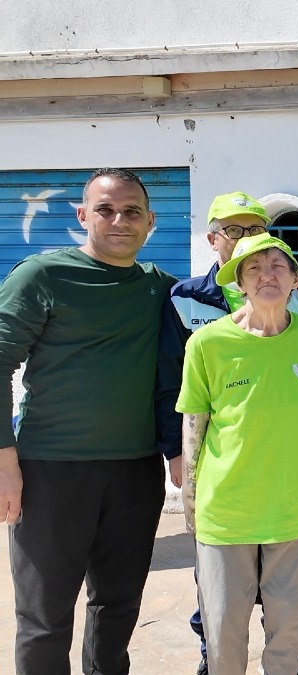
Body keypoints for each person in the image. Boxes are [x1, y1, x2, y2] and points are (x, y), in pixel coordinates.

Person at [0, 168, 176, 674]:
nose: (120, 220)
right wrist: (6, 464)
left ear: (150, 222)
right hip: (50, 471)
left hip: (135, 471)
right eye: (105, 209)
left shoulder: (162, 289)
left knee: (117, 607)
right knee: (45, 617)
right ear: (82, 215)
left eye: (132, 211)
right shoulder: (43, 276)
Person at [157, 192, 298, 675]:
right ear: (214, 240)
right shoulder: (192, 308)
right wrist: (181, 466)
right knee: (222, 612)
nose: (266, 272)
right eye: (235, 230)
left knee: (287, 611)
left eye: (256, 229)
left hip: (289, 493)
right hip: (227, 492)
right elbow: (179, 393)